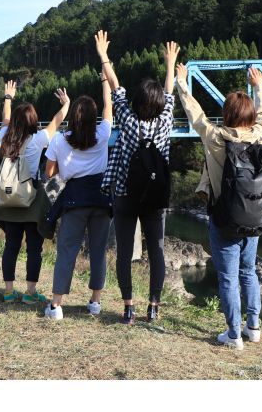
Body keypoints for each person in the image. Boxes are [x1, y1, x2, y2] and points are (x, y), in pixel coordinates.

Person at [175, 63, 262, 350]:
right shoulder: (259, 136)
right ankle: (253, 327)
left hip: (224, 218)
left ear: (227, 114)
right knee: (249, 271)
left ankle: (233, 335)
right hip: (255, 217)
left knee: (228, 277)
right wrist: (259, 86)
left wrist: (182, 82)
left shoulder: (215, 137)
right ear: (250, 116)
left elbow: (195, 114)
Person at [96, 30, 179, 325]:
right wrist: (170, 64)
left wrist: (104, 55)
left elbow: (116, 87)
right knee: (157, 251)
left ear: (138, 101)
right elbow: (169, 94)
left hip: (125, 194)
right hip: (155, 197)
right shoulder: (166, 120)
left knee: (123, 253)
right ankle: (153, 307)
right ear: (157, 103)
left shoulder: (128, 120)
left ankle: (129, 308)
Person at [43, 73, 113, 320]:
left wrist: (66, 167)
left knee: (67, 250)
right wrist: (105, 81)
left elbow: (49, 172)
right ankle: (95, 302)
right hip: (102, 199)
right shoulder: (103, 133)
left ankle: (56, 305)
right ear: (93, 118)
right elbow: (108, 106)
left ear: (73, 116)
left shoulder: (61, 141)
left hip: (74, 199)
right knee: (98, 251)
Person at [0, 80, 69, 305]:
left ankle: (9, 291)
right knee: (34, 249)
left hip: (9, 201)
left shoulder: (5, 138)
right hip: (31, 199)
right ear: (33, 122)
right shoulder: (36, 141)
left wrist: (8, 98)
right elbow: (56, 122)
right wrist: (66, 104)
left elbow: (6, 120)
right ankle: (30, 292)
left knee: (11, 246)